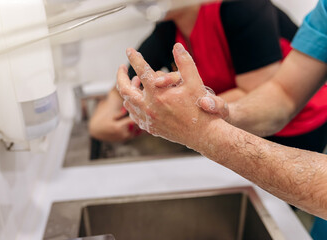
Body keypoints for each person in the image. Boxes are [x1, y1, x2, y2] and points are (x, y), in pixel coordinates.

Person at [116, 0, 327, 221]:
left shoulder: (242, 8)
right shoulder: (169, 27)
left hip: (303, 128)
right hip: (264, 124)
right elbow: (283, 93)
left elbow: (266, 89)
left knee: (284, 215)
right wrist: (222, 111)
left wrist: (203, 129)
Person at [89, 0, 327, 155]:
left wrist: (173, 111)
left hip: (296, 125)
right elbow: (126, 80)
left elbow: (257, 92)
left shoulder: (242, 8)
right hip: (238, 125)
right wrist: (100, 119)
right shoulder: (169, 28)